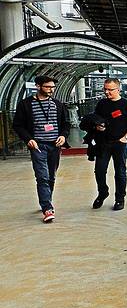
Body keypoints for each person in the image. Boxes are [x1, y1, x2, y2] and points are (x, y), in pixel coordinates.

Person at [13, 76, 70, 223]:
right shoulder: (26, 104)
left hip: (55, 145)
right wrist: (28, 139)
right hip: (38, 146)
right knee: (42, 176)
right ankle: (47, 208)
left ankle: (46, 199)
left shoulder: (57, 104)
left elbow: (66, 124)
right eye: (48, 87)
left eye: (53, 87)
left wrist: (63, 136)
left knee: (51, 176)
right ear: (38, 86)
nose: (51, 90)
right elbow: (18, 125)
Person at [92, 78, 127, 210]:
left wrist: (126, 137)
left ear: (118, 89)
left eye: (110, 90)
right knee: (99, 170)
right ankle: (103, 192)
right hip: (103, 143)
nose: (107, 92)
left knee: (120, 172)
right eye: (105, 89)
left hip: (120, 144)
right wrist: (97, 126)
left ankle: (120, 199)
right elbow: (95, 119)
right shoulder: (101, 104)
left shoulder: (126, 104)